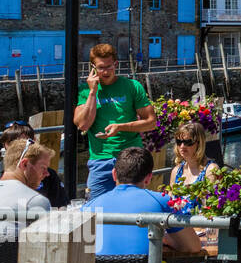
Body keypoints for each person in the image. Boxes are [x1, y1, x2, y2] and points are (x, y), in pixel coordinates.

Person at [73, 43, 157, 202]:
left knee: (132, 209)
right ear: (93, 68)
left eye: (109, 67)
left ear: (116, 64)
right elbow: (83, 124)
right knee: (95, 211)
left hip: (131, 158)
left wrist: (120, 127)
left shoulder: (132, 86)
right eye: (101, 67)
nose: (105, 72)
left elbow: (151, 122)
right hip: (101, 160)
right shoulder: (85, 90)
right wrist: (92, 92)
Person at [1, 122, 68, 207]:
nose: (18, 147)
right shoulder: (37, 201)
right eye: (12, 143)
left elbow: (61, 207)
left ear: (34, 141)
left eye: (23, 142)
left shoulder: (49, 176)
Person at [0, 138, 53, 241]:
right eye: (43, 168)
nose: (47, 174)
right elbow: (45, 249)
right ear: (24, 164)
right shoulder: (35, 201)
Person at [169, 121, 219, 187]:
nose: (182, 146)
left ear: (199, 143)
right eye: (179, 142)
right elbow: (170, 196)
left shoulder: (211, 170)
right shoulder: (176, 171)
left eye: (188, 142)